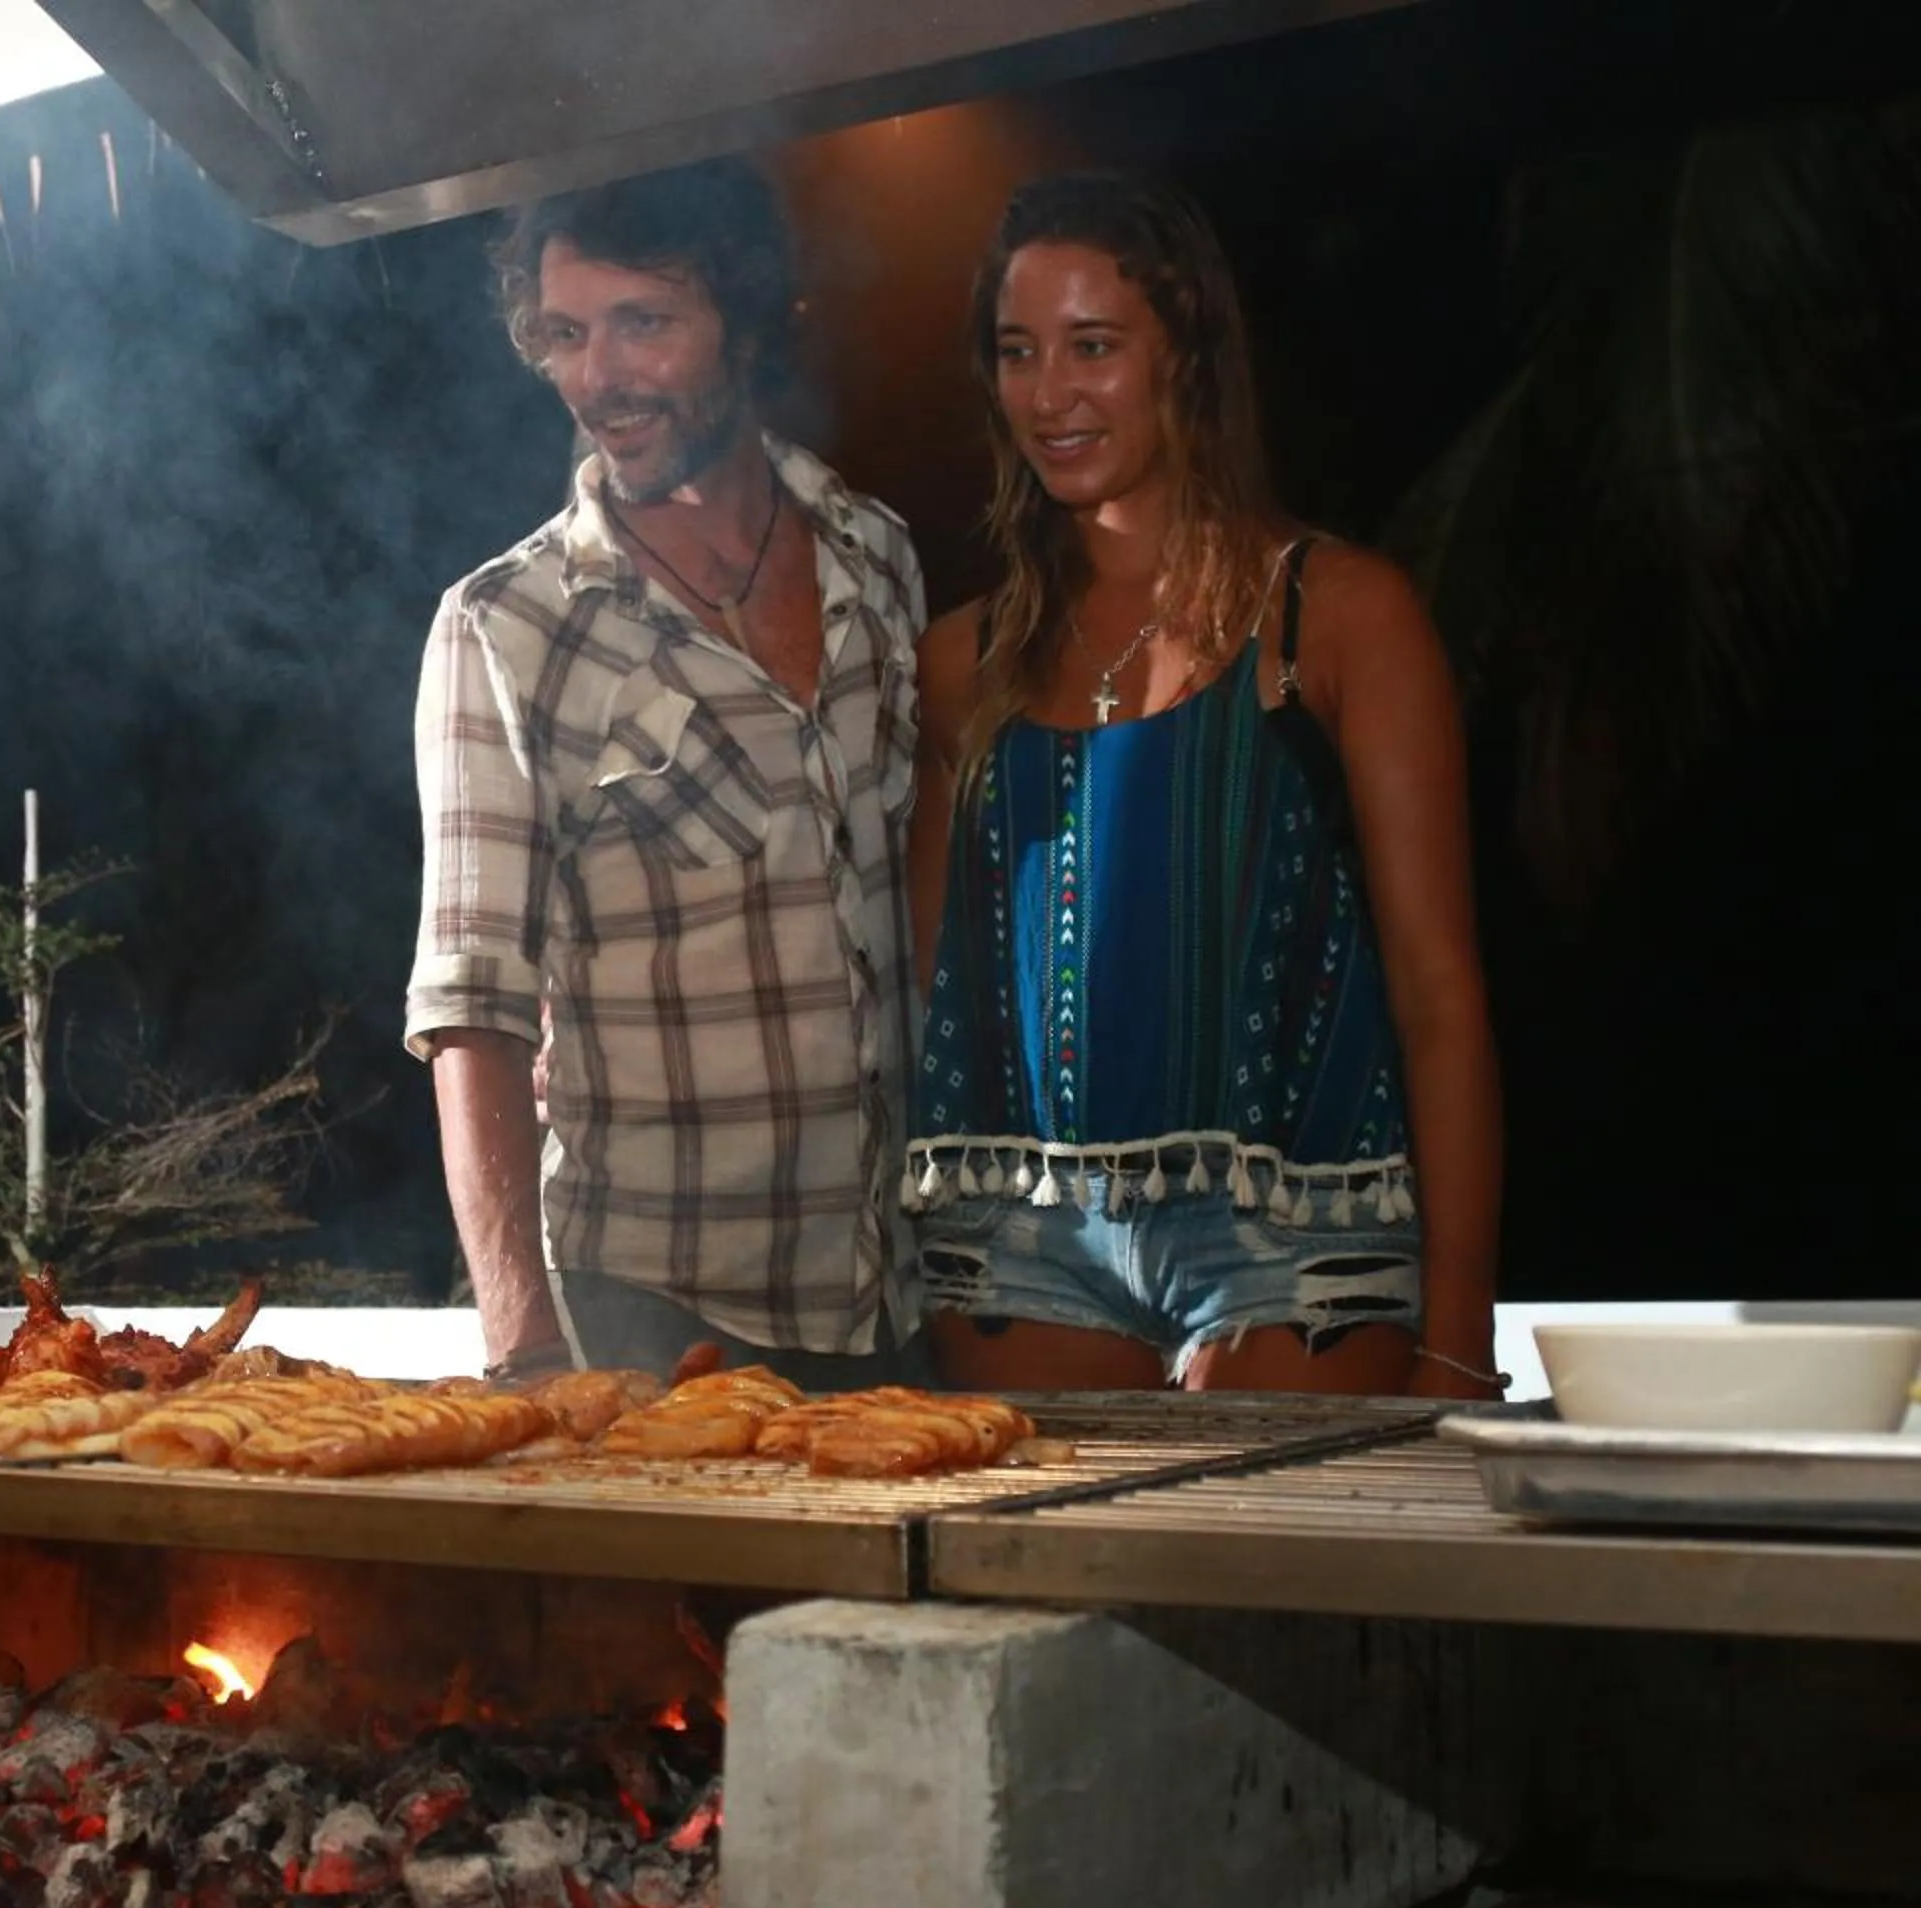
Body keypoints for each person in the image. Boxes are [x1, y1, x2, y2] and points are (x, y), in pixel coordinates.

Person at [905, 171, 1505, 1399]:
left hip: (1300, 1238)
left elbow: (1438, 993)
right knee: (1049, 1590)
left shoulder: (1336, 617)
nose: (1052, 394)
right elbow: (924, 989)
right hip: (1016, 1244)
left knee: (1262, 1591)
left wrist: (1459, 1339)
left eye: (1095, 346)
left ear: (1187, 356)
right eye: (1020, 352)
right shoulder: (963, 664)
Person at [406, 159, 930, 1390]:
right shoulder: (505, 625)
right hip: (652, 1316)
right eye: (567, 334)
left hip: (898, 1295)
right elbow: (474, 1009)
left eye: (644, 322)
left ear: (744, 317)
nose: (599, 377)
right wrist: (526, 1346)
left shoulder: (880, 558)